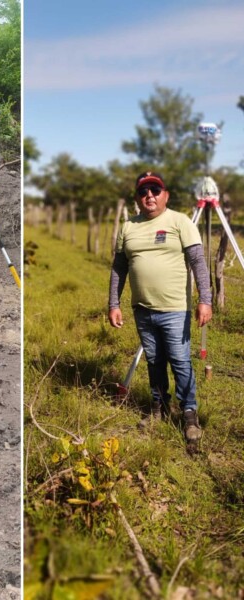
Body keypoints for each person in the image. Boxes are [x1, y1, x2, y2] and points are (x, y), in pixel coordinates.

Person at [108, 171, 212, 442]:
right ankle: (159, 409)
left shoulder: (180, 221)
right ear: (137, 198)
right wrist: (113, 303)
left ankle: (189, 414)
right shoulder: (129, 226)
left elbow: (199, 263)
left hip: (175, 309)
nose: (149, 196)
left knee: (179, 361)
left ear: (165, 195)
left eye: (155, 190)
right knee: (154, 362)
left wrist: (205, 300)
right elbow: (119, 268)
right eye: (143, 192)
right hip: (142, 309)